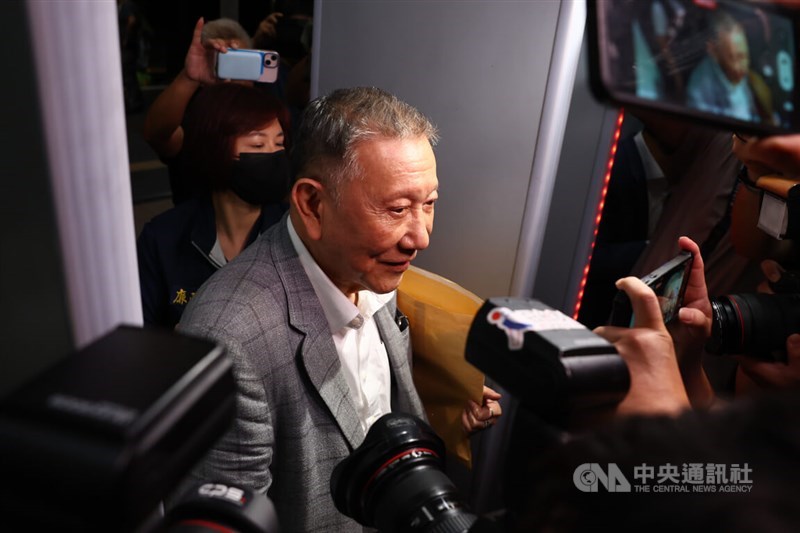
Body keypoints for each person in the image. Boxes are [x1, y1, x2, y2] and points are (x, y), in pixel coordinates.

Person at [173, 87, 502, 531]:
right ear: (312, 203)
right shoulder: (229, 338)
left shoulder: (372, 268)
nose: (420, 236)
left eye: (429, 204)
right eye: (397, 208)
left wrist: (445, 420)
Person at [137, 82, 291, 329]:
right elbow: (142, 336)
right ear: (215, 151)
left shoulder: (295, 233)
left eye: (280, 144)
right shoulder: (163, 239)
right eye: (257, 146)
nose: (273, 155)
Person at [143, 17, 253, 205]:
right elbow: (156, 134)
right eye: (223, 64)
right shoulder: (192, 122)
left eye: (239, 62)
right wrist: (189, 77)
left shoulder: (268, 116)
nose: (231, 78)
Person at [685, 10, 772, 124]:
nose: (743, 66)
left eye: (744, 56)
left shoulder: (753, 80)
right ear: (713, 52)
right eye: (734, 58)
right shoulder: (700, 89)